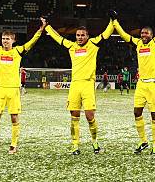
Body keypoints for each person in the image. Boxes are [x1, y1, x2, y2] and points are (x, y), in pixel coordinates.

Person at [0, 12, 46, 155]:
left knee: (14, 117)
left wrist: (41, 29)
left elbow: (32, 42)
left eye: (8, 39)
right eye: (3, 38)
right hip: (0, 89)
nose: (5, 41)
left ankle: (13, 145)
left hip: (13, 90)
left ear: (13, 40)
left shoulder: (18, 51)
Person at [45, 13, 114, 155]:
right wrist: (47, 27)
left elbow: (106, 34)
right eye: (78, 35)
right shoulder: (71, 46)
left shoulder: (93, 44)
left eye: (82, 35)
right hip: (75, 84)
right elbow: (58, 38)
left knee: (90, 116)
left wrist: (113, 21)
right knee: (74, 115)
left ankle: (95, 143)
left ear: (87, 36)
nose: (80, 37)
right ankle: (75, 145)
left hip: (88, 84)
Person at [113, 14, 155, 154]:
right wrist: (115, 22)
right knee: (137, 112)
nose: (143, 34)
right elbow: (124, 35)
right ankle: (143, 141)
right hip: (141, 84)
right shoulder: (138, 44)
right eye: (142, 32)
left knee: (154, 115)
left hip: (154, 84)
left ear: (152, 35)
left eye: (146, 32)